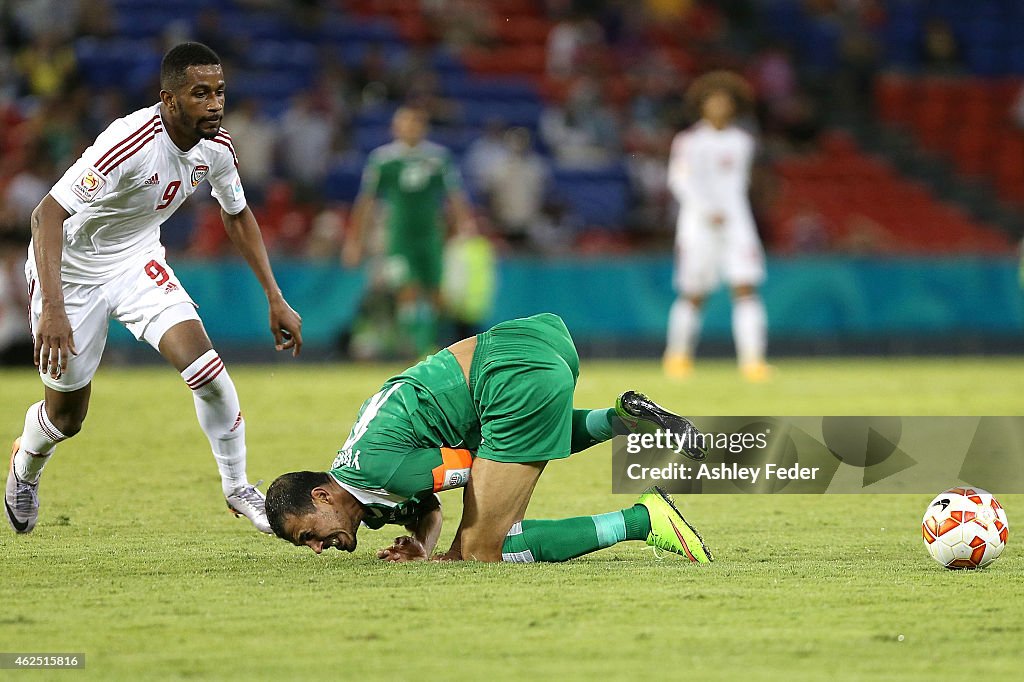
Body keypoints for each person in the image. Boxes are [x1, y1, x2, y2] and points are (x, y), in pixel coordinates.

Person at [4, 43, 303, 536]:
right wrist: (53, 309)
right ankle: (26, 463)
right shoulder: (129, 141)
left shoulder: (218, 148)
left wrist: (275, 295)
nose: (214, 104)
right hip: (71, 270)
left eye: (220, 92)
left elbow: (237, 214)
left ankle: (237, 487)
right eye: (200, 93)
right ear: (169, 99)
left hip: (135, 261)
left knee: (205, 368)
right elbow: (46, 215)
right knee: (67, 416)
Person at [265, 313, 712, 564]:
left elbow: (476, 464)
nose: (318, 547)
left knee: (485, 549)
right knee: (519, 442)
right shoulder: (361, 473)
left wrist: (456, 551)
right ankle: (624, 417)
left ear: (322, 496)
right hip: (538, 341)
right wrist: (424, 545)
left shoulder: (381, 471)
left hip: (509, 378)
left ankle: (643, 520)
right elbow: (428, 505)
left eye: (309, 534)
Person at [343, 105, 477, 358]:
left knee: (436, 292)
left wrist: (466, 226)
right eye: (405, 122)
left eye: (415, 123)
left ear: (423, 127)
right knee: (408, 288)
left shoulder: (438, 157)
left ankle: (430, 343)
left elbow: (455, 195)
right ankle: (414, 346)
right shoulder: (383, 159)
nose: (410, 128)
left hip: (431, 236)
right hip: (399, 236)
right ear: (395, 127)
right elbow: (366, 202)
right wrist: (354, 241)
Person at [664, 70, 770, 382]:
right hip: (698, 226)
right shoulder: (688, 141)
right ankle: (677, 356)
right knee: (694, 292)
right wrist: (706, 210)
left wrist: (731, 213)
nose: (719, 107)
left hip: (737, 224)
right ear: (702, 106)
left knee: (746, 288)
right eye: (714, 102)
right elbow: (679, 180)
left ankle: (753, 362)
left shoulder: (743, 142)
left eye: (725, 102)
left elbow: (742, 183)